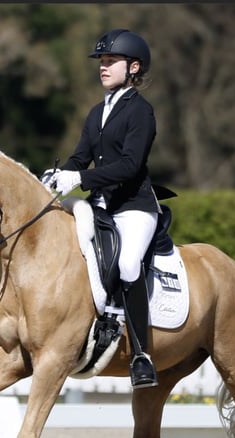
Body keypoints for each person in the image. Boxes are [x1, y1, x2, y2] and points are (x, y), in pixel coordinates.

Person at [44, 29, 160, 389]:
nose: (103, 67)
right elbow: (81, 157)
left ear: (134, 66)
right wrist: (56, 174)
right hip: (100, 205)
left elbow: (129, 165)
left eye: (111, 61)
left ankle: (142, 355)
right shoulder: (97, 113)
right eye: (101, 62)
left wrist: (80, 177)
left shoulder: (141, 112)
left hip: (133, 206)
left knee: (127, 263)